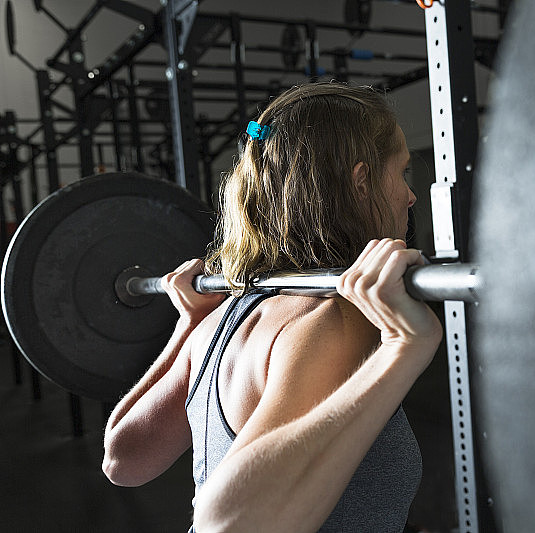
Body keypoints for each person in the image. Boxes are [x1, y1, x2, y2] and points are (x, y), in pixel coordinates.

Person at [101, 82, 443, 532]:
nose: (410, 194)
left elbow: (123, 460)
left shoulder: (219, 317)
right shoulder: (329, 321)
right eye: (400, 172)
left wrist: (187, 324)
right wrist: (403, 349)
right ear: (361, 182)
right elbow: (230, 523)